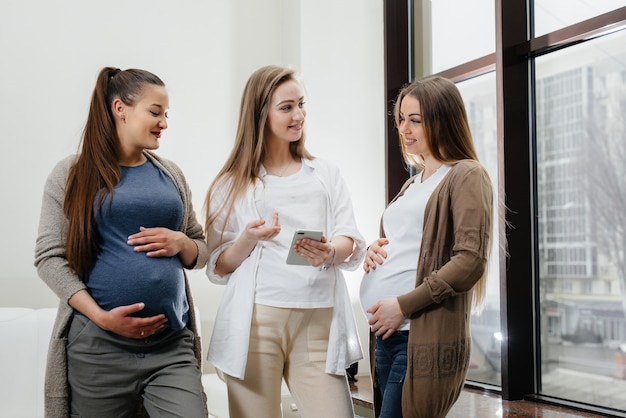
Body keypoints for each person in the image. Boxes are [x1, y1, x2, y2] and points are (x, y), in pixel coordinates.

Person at [34, 67, 209, 418]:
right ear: (120, 109)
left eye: (166, 115)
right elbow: (48, 257)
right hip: (100, 348)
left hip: (170, 345)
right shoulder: (71, 174)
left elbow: (200, 248)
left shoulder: (169, 174)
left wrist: (180, 242)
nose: (164, 123)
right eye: (155, 112)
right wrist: (101, 317)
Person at [204, 64, 366, 418]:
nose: (299, 115)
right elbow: (216, 266)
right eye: (286, 107)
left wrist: (328, 253)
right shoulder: (231, 185)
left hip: (319, 319)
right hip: (256, 322)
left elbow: (350, 239)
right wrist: (247, 238)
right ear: (261, 114)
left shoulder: (325, 173)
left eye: (301, 104)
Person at [362, 75, 493, 418]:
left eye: (415, 120)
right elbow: (408, 245)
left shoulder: (465, 175)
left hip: (417, 338)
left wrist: (403, 306)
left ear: (442, 120)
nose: (405, 129)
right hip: (386, 338)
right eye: (401, 119)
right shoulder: (412, 184)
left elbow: (470, 260)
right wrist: (373, 250)